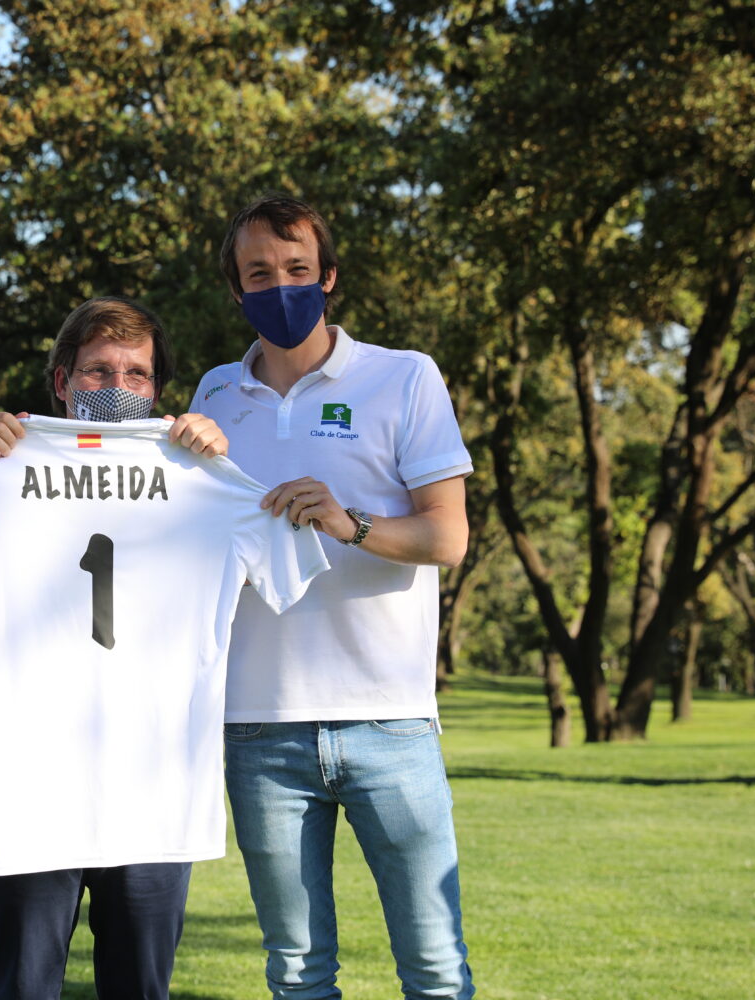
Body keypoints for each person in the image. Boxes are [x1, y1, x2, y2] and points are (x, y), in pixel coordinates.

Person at [191, 195, 476, 999]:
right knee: (296, 972)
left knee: (434, 967)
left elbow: (447, 539)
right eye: (259, 274)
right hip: (258, 729)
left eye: (297, 270)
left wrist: (349, 524)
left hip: (390, 722)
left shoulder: (404, 377)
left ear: (329, 278)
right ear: (236, 291)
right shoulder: (212, 398)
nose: (280, 285)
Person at [0, 297, 278, 1000]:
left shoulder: (202, 475)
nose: (117, 387)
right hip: (28, 793)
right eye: (99, 369)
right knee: (19, 988)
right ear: (61, 381)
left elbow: (280, 562)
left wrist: (217, 467)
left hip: (152, 791)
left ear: (159, 391)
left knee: (139, 989)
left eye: (137, 374)